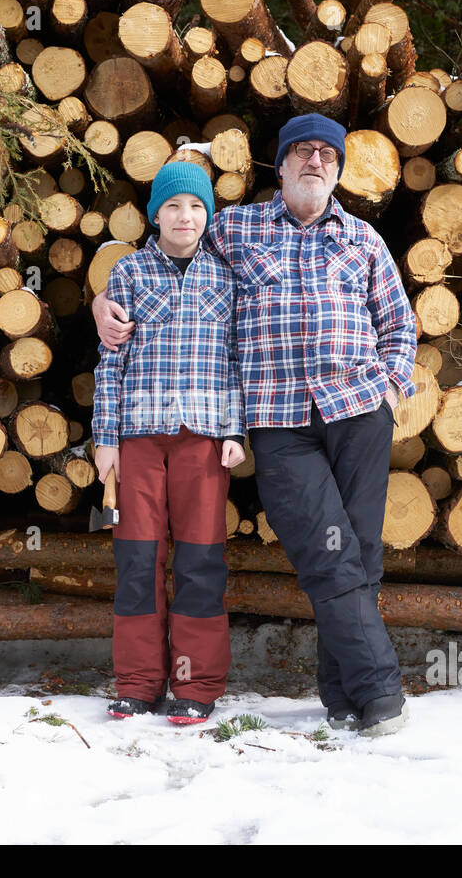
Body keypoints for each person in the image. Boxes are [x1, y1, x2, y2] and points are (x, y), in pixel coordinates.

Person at [94, 114, 418, 737]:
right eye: (302, 151)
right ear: (281, 164)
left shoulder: (364, 240)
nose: (314, 162)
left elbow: (400, 327)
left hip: (357, 411)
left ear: (340, 168)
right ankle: (380, 692)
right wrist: (99, 305)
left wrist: (389, 388)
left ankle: (341, 695)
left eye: (328, 153)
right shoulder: (235, 229)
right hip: (279, 422)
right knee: (328, 554)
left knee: (362, 553)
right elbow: (164, 259)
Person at [91, 161, 246, 725]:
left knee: (200, 561)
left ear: (209, 215)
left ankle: (194, 683)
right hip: (137, 438)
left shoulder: (226, 277)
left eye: (197, 207)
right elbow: (111, 360)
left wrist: (235, 429)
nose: (186, 217)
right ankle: (137, 682)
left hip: (203, 440)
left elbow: (236, 362)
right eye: (174, 206)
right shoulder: (130, 275)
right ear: (156, 213)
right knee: (138, 560)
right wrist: (105, 438)